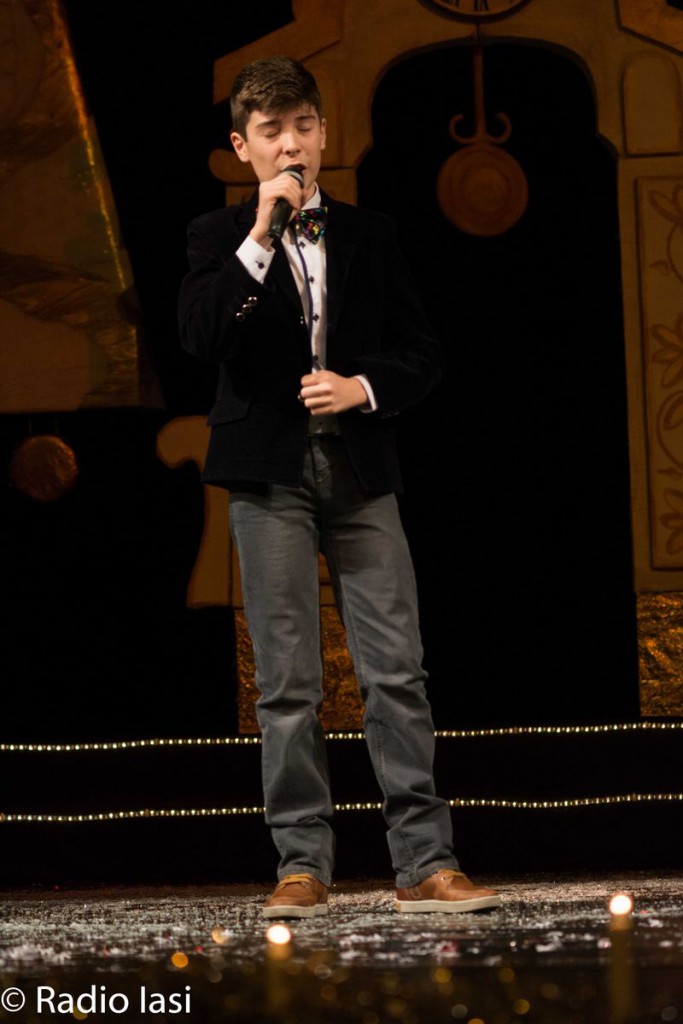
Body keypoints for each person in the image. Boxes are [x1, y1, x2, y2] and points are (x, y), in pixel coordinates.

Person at [178, 55, 501, 918]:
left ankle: (426, 861)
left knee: (395, 670)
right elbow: (202, 337)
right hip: (267, 473)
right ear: (243, 147)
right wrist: (259, 235)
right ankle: (301, 864)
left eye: (303, 126)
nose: (291, 145)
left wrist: (362, 387)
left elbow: (422, 353)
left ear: (323, 133)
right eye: (272, 131)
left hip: (358, 467)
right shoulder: (215, 238)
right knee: (287, 679)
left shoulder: (369, 233)